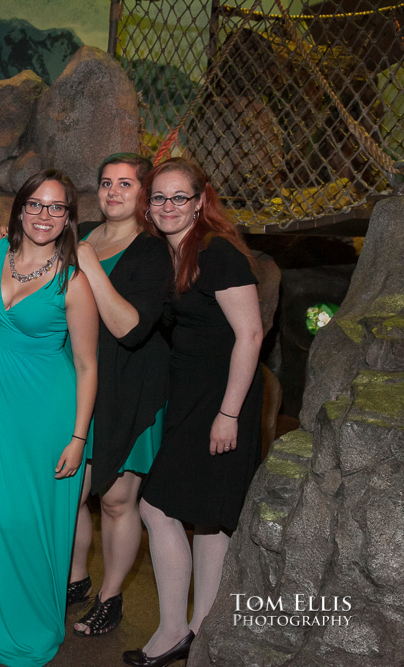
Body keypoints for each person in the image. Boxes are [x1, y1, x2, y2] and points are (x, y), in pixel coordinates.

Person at [123, 157, 263, 667]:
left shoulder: (217, 252)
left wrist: (228, 413)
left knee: (155, 507)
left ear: (201, 201)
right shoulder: (171, 253)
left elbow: (250, 334)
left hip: (223, 399)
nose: (167, 207)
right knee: (208, 519)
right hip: (191, 397)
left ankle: (171, 630)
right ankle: (201, 631)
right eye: (158, 198)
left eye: (178, 197)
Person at [0, 170, 99, 665]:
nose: (44, 215)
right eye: (35, 205)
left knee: (32, 522)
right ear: (19, 210)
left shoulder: (74, 281)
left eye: (56, 208)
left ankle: (33, 626)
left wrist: (79, 438)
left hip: (50, 416)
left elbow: (87, 365)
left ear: (68, 219)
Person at [64, 154, 173, 637]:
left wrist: (88, 262)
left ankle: (111, 598)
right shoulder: (81, 231)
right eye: (106, 182)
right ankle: (75, 579)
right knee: (72, 494)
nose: (112, 192)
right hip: (81, 384)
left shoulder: (152, 250)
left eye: (125, 184)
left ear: (143, 192)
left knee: (116, 501)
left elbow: (129, 328)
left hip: (133, 386)